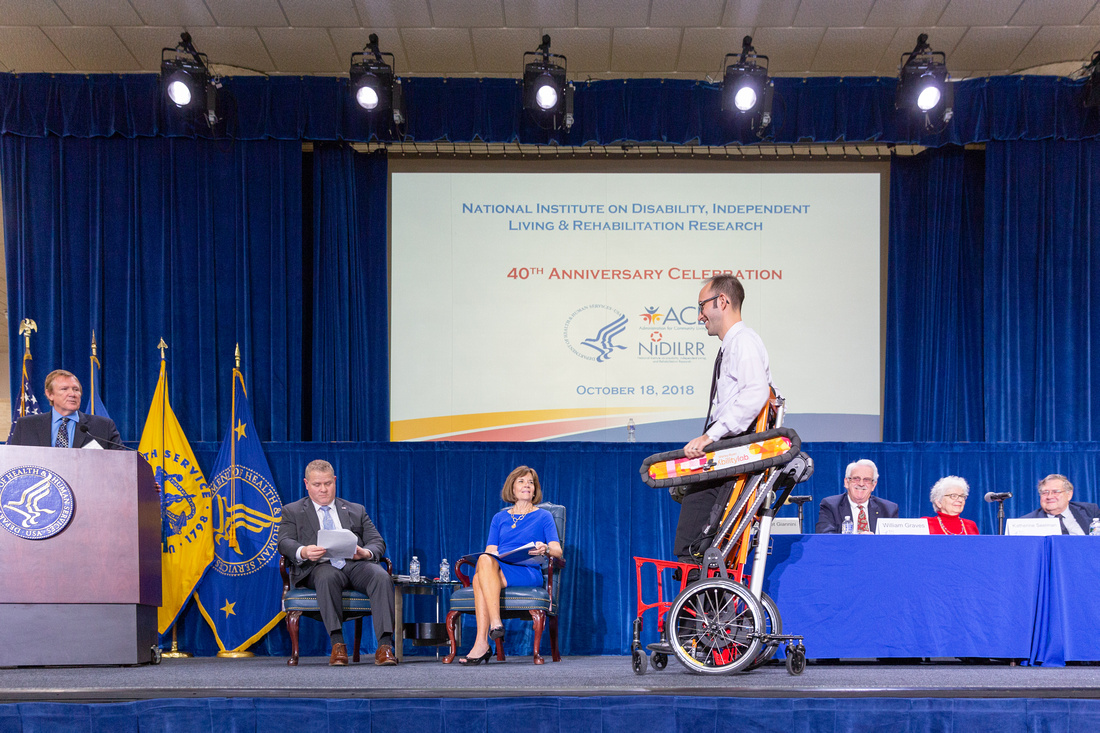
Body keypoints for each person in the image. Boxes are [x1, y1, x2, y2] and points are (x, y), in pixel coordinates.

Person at [675, 274, 773, 562]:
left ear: (722, 301)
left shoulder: (744, 342)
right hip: (725, 455)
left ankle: (697, 605)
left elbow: (757, 392)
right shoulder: (733, 345)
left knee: (691, 546)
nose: (699, 316)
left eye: (702, 306)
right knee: (692, 538)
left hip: (730, 456)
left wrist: (710, 436)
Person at [277, 459, 397, 666]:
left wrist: (365, 553)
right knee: (327, 576)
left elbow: (377, 542)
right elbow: (284, 542)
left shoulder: (355, 510)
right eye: (317, 485)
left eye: (327, 484)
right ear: (306, 484)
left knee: (381, 576)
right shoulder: (293, 511)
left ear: (334, 481)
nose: (323, 489)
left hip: (354, 564)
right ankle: (337, 645)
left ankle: (385, 646)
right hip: (318, 567)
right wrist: (303, 551)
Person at [458, 465, 562, 665]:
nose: (527, 486)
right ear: (512, 488)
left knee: (480, 577)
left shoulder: (543, 516)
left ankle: (484, 640)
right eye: (521, 482)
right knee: (483, 562)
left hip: (528, 571)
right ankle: (491, 630)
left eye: (531, 483)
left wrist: (545, 549)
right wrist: (496, 555)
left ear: (535, 489)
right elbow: (490, 550)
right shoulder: (500, 517)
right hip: (501, 567)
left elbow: (557, 550)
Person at [7, 369, 122, 449]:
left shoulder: (103, 426)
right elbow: (15, 461)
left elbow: (121, 462)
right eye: (64, 389)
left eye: (76, 389)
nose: (72, 394)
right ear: (50, 394)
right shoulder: (26, 425)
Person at [816, 459, 899, 534]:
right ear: (846, 482)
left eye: (866, 480)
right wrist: (857, 541)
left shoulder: (889, 509)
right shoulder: (831, 506)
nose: (861, 484)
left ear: (873, 485)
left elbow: (894, 543)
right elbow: (825, 539)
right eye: (856, 479)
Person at [1020, 474, 1100, 535]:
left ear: (1069, 495)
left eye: (1056, 492)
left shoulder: (1090, 511)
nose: (1049, 496)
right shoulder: (1026, 522)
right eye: (1045, 493)